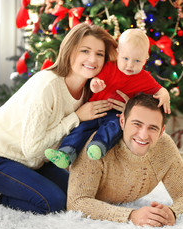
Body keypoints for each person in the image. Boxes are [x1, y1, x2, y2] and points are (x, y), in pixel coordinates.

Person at [0, 23, 121, 214]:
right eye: (85, 51)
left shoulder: (91, 88)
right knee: (54, 203)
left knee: (78, 196)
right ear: (69, 51)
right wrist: (76, 117)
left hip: (37, 161)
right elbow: (32, 150)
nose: (92, 59)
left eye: (99, 54)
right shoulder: (47, 87)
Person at [67, 93, 183, 227]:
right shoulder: (97, 146)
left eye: (153, 128)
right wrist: (131, 215)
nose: (143, 135)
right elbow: (77, 202)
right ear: (122, 122)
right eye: (137, 124)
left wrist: (172, 213)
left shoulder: (164, 147)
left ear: (161, 131)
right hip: (60, 173)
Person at [45, 28, 171, 168]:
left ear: (145, 60)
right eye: (125, 59)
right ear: (118, 54)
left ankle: (99, 146)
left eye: (137, 61)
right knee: (81, 129)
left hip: (116, 114)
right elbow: (95, 81)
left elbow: (159, 89)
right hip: (94, 109)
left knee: (114, 127)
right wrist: (95, 86)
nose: (130, 65)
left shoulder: (145, 78)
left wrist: (165, 94)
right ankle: (66, 153)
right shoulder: (109, 67)